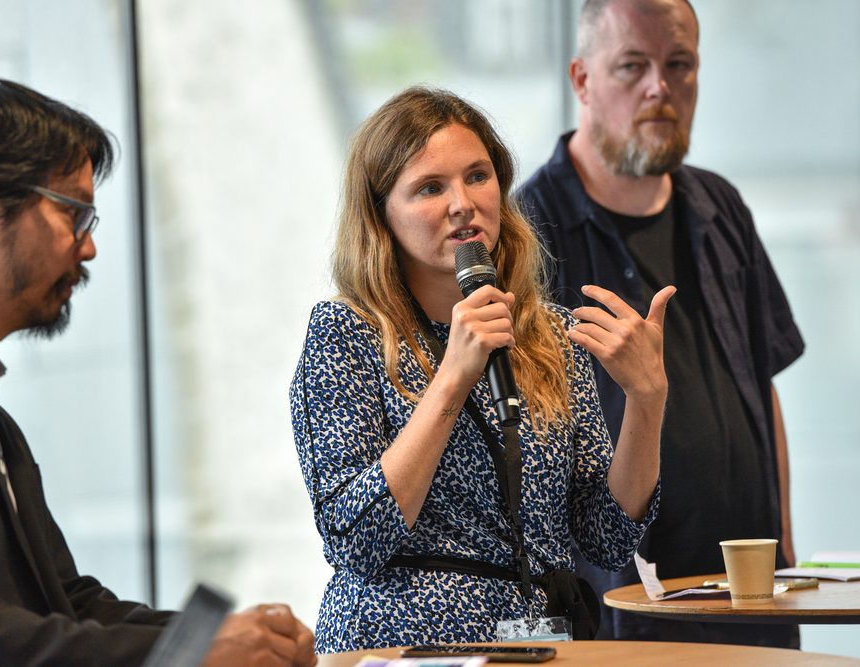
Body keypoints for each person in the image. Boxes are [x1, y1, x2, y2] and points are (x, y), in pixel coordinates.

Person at [0, 77, 315, 667]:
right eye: (73, 214)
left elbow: (65, 603)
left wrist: (224, 639)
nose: (89, 248)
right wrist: (196, 655)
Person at [290, 86, 675, 652]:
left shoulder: (550, 335)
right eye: (429, 188)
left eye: (477, 176)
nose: (462, 203)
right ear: (381, 216)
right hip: (401, 648)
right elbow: (357, 539)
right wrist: (453, 375)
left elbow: (608, 536)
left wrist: (647, 400)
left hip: (536, 646)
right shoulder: (345, 333)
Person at [514, 0, 804, 648]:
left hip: (753, 598)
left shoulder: (719, 205)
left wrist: (785, 540)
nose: (660, 88)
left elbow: (764, 382)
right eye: (632, 67)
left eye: (680, 65)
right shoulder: (528, 235)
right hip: (621, 608)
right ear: (583, 80)